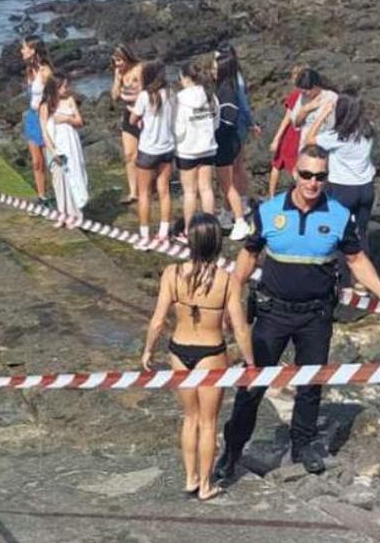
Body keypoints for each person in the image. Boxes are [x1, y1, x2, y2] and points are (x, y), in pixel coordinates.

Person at [214, 145, 380, 480]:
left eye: (320, 176)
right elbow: (247, 258)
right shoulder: (269, 212)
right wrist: (232, 300)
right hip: (272, 314)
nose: (313, 182)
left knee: (311, 384)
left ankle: (303, 446)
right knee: (252, 384)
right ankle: (232, 451)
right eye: (306, 174)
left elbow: (357, 260)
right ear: (294, 173)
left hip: (316, 315)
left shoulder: (339, 216)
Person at [142, 214, 255, 501]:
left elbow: (157, 320)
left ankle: (190, 477)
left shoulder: (172, 273)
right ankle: (205, 484)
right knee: (209, 422)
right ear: (218, 243)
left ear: (190, 241)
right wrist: (251, 363)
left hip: (179, 350)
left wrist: (148, 350)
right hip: (211, 353)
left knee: (189, 418)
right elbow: (240, 327)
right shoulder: (227, 281)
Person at [304, 94, 376, 251]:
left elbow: (309, 140)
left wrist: (322, 115)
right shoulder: (369, 129)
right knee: (361, 232)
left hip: (344, 189)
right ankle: (362, 271)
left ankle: (342, 273)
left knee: (340, 233)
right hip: (366, 187)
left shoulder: (336, 136)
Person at [130, 60, 175, 248]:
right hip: (167, 148)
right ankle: (164, 233)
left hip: (148, 150)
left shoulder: (144, 96)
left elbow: (133, 119)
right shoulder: (171, 94)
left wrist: (140, 118)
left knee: (144, 194)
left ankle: (145, 236)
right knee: (164, 191)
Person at [174, 58, 219, 238]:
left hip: (187, 151)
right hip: (208, 148)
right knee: (206, 188)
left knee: (190, 192)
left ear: (185, 78)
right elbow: (216, 122)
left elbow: (178, 129)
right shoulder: (210, 95)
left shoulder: (180, 100)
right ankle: (210, 229)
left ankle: (188, 230)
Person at [40, 73, 88, 228]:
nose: (67, 89)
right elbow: (44, 131)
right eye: (64, 86)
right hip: (55, 145)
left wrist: (66, 119)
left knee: (74, 174)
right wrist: (52, 151)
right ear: (55, 88)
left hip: (71, 143)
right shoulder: (46, 106)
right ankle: (62, 214)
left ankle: (76, 215)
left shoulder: (69, 100)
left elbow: (80, 121)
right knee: (59, 179)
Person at [213, 46, 251, 241]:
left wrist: (214, 129)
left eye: (215, 65)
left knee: (227, 184)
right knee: (229, 179)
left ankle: (240, 221)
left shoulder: (226, 90)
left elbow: (229, 116)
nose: (212, 68)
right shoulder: (232, 85)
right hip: (232, 139)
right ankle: (228, 214)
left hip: (226, 141)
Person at [20, 35, 52, 206]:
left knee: (51, 160)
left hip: (44, 117)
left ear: (33, 50)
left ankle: (60, 196)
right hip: (32, 116)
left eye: (24, 48)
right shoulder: (29, 70)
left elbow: (54, 95)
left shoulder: (45, 71)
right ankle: (42, 197)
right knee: (36, 162)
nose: (22, 51)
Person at [111, 45, 144, 204]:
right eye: (115, 61)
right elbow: (114, 97)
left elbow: (148, 91)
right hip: (128, 114)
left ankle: (149, 187)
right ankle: (133, 192)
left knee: (146, 155)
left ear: (127, 57)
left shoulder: (139, 69)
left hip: (144, 116)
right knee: (130, 154)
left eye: (119, 60)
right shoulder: (119, 73)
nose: (117, 64)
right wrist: (117, 79)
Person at [267, 66, 307, 198]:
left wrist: (277, 138)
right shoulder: (309, 95)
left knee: (279, 164)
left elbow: (287, 118)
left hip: (291, 134)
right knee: (295, 164)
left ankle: (272, 196)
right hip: (302, 133)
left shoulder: (296, 95)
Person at [290, 68, 338, 148]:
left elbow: (333, 124)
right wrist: (305, 109)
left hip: (324, 144)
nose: (304, 94)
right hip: (305, 146)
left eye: (306, 92)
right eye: (301, 92)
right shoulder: (302, 98)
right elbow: (296, 123)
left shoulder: (331, 97)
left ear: (316, 86)